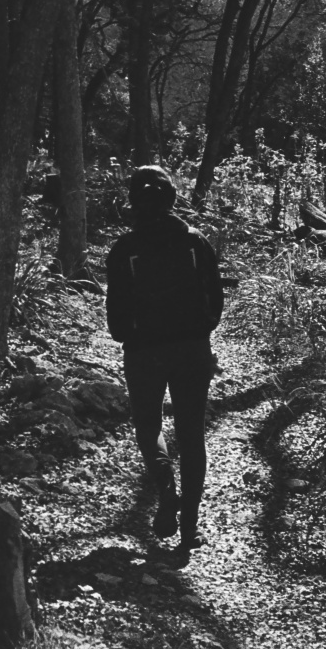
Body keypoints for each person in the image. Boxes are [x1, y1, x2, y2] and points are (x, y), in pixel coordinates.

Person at [106, 165, 224, 551]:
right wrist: (199, 332)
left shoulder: (124, 250)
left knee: (148, 427)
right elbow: (216, 302)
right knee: (191, 435)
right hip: (193, 350)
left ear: (134, 204)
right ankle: (189, 529)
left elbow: (116, 319)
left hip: (144, 354)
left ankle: (165, 489)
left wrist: (134, 337)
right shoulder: (196, 242)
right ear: (172, 198)